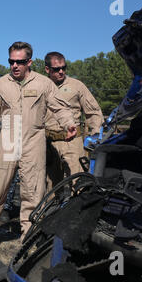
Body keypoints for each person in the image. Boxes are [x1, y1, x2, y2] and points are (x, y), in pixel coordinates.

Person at [0, 42, 77, 247]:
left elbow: (59, 107)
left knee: (33, 193)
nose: (15, 65)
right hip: (7, 140)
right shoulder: (0, 85)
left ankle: (29, 237)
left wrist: (68, 123)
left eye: (20, 62)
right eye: (11, 61)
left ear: (29, 62)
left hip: (34, 140)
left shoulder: (43, 83)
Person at [44, 52, 103, 191]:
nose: (61, 72)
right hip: (48, 143)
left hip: (72, 142)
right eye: (56, 69)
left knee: (78, 184)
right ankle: (50, 213)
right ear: (47, 69)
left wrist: (95, 137)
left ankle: (78, 211)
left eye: (64, 68)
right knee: (49, 188)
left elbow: (93, 112)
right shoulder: (41, 86)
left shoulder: (77, 86)